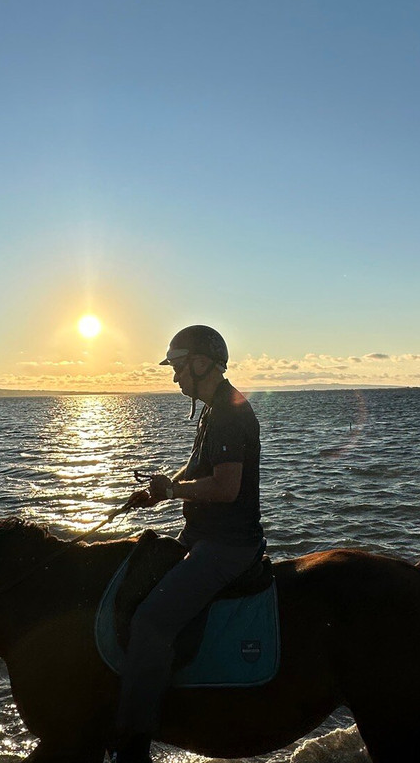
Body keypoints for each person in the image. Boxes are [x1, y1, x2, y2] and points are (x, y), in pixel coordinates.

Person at [114, 325, 265, 763]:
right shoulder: (213, 410)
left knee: (151, 622)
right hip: (202, 535)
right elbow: (198, 466)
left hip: (227, 545)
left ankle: (133, 746)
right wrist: (163, 489)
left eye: (179, 369)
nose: (175, 378)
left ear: (201, 364)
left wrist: (176, 493)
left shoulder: (230, 412)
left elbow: (226, 487)